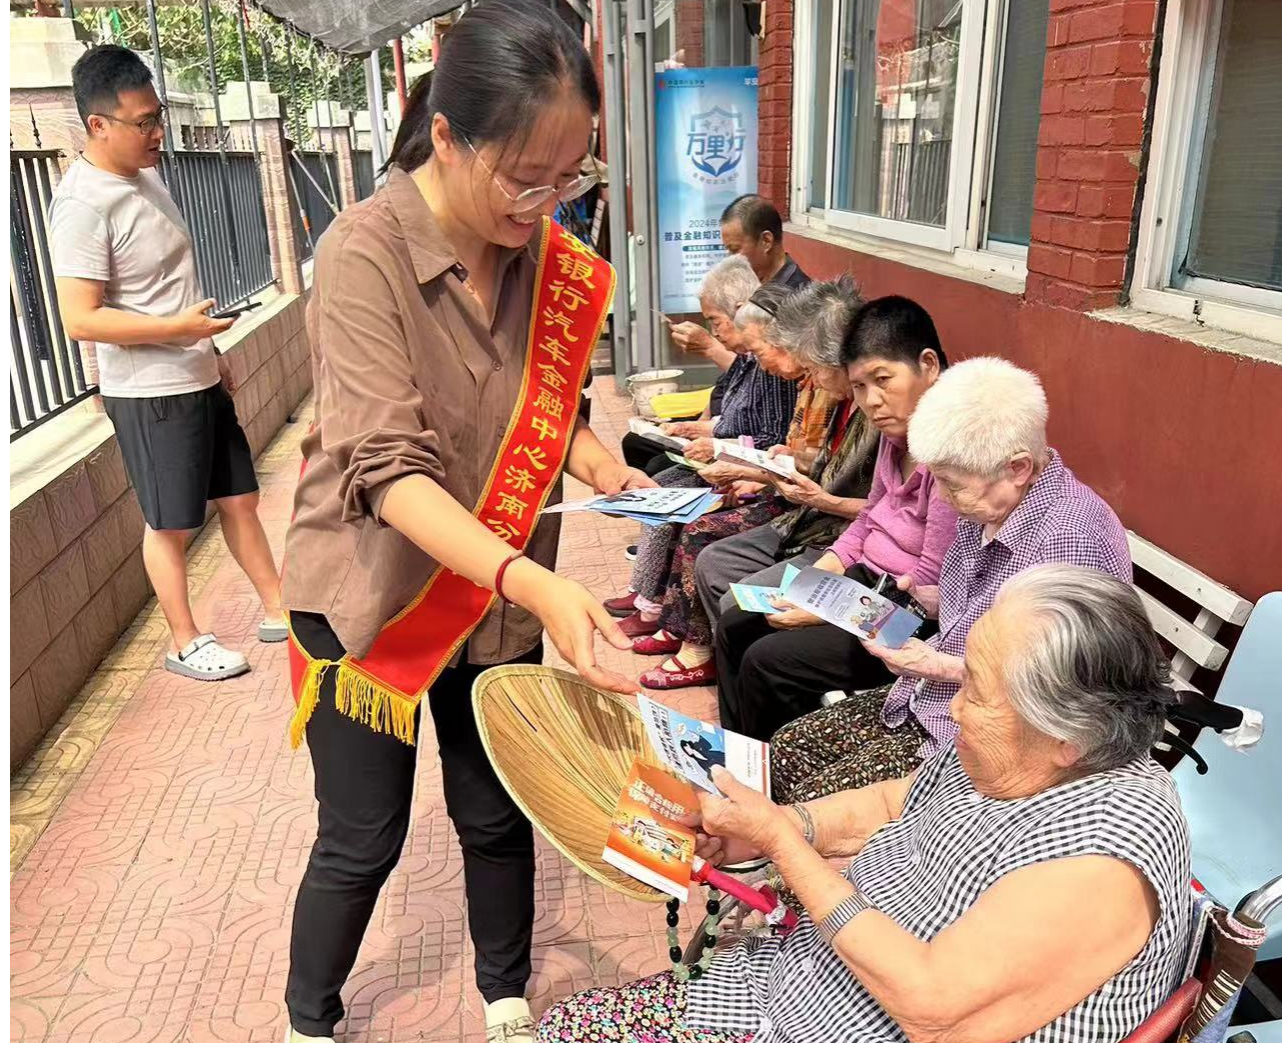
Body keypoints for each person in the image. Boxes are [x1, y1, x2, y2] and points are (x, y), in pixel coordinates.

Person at [277, 5, 652, 1042]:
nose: (544, 206)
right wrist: (534, 582)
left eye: (568, 179)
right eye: (525, 177)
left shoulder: (546, 261)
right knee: (362, 835)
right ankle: (309, 1018)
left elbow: (550, 407)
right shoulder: (361, 255)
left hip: (494, 597)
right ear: (446, 135)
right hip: (370, 596)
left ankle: (506, 998)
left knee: (496, 812)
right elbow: (387, 472)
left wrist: (599, 465)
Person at [538, 566, 1192, 1043]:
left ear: (1066, 738)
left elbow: (932, 1006)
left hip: (819, 1022)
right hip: (786, 990)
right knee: (564, 1028)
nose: (954, 709)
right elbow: (898, 802)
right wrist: (786, 824)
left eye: (979, 695)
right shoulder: (1011, 759)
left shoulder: (1105, 850)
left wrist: (781, 845)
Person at [770, 356, 1133, 804]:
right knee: (784, 753)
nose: (942, 497)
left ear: (1018, 468)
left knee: (816, 803)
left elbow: (1060, 685)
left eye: (951, 484)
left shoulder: (1069, 543)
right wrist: (931, 598)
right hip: (927, 699)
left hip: (990, 741)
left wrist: (936, 665)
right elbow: (975, 610)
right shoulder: (988, 504)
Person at [50, 45, 284, 682]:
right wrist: (178, 330)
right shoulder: (82, 205)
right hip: (149, 391)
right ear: (98, 125)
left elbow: (168, 282)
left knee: (240, 498)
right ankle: (185, 640)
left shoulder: (145, 177)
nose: (158, 133)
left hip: (197, 372)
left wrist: (206, 347)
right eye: (143, 122)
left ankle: (279, 607)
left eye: (158, 118)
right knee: (171, 522)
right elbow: (80, 319)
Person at [710, 298, 958, 741]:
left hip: (907, 616)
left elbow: (930, 584)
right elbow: (866, 523)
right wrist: (820, 575)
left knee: (770, 661)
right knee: (736, 623)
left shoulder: (951, 458)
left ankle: (778, 788)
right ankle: (743, 759)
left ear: (928, 365)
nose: (871, 401)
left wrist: (824, 613)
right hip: (861, 583)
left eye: (883, 380)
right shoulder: (896, 434)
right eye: (860, 386)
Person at [629, 277, 879, 690]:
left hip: (833, 536)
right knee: (705, 547)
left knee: (737, 604)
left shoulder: (886, 420)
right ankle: (676, 624)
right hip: (820, 525)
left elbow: (891, 542)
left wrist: (766, 476)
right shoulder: (834, 397)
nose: (809, 378)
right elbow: (850, 504)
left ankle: (703, 649)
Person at [607, 284, 804, 640]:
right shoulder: (761, 365)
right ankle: (650, 599)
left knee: (684, 514)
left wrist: (740, 465)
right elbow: (743, 422)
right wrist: (702, 431)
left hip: (763, 481)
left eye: (717, 321)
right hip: (747, 468)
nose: (715, 332)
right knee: (657, 482)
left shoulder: (784, 376)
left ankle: (666, 617)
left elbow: (778, 442)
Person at [619, 256, 757, 475]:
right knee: (636, 441)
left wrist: (713, 437)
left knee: (659, 470)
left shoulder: (767, 357)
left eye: (716, 321)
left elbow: (766, 437)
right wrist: (698, 426)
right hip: (723, 433)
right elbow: (724, 396)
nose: (714, 331)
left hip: (740, 448)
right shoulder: (743, 355)